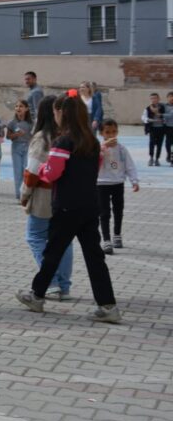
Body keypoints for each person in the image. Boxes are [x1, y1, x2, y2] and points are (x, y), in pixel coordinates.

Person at [16, 96, 122, 323]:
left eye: (58, 111)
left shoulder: (63, 142)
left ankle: (36, 295)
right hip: (90, 205)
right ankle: (108, 305)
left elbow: (52, 173)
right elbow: (100, 166)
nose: (55, 115)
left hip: (66, 206)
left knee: (52, 252)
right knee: (95, 257)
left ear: (63, 114)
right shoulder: (91, 142)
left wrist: (44, 169)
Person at [21, 95, 73, 301]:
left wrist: (24, 194)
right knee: (63, 241)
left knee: (35, 237)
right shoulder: (69, 135)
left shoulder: (43, 137)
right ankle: (64, 285)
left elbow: (32, 171)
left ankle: (51, 281)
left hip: (43, 195)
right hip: (65, 195)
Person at [97, 119, 139, 254]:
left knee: (118, 210)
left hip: (117, 183)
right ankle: (107, 240)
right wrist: (103, 148)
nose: (111, 135)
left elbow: (129, 165)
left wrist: (134, 180)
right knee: (104, 212)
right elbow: (92, 161)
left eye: (114, 132)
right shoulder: (97, 147)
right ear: (101, 133)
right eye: (107, 132)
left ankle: (117, 235)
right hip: (102, 183)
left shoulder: (121, 149)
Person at [7, 100, 32, 200]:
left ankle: (26, 194)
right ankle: (19, 195)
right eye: (16, 106)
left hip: (27, 148)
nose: (18, 108)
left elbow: (34, 136)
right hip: (16, 148)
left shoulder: (31, 123)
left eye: (21, 106)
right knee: (17, 172)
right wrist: (16, 135)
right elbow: (8, 136)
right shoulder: (12, 123)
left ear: (26, 109)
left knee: (26, 170)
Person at [143, 93, 165, 166]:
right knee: (151, 143)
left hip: (161, 129)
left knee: (159, 144)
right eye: (152, 98)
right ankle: (151, 158)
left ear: (159, 99)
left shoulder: (163, 107)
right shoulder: (147, 108)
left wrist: (163, 119)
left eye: (155, 98)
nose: (153, 100)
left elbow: (166, 117)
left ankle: (157, 159)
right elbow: (144, 117)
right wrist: (150, 120)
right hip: (152, 129)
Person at [165, 91, 173, 165]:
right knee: (168, 143)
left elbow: (170, 115)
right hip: (167, 127)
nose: (172, 98)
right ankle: (169, 154)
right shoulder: (164, 106)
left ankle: (172, 157)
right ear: (167, 98)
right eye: (170, 97)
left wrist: (160, 114)